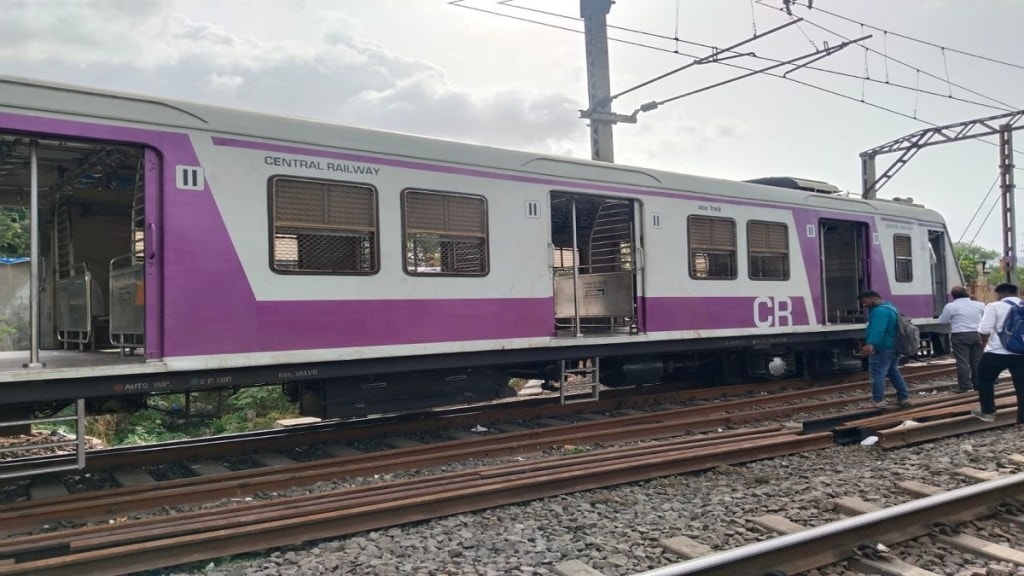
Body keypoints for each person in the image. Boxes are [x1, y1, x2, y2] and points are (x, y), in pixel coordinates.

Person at [972, 282, 1024, 423]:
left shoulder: (994, 306)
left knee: (984, 380)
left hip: (996, 352)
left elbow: (984, 329)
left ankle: (988, 412)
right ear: (1017, 293)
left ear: (999, 294)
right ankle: (1022, 419)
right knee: (1022, 386)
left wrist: (984, 342)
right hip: (1021, 354)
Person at [858, 290, 913, 409]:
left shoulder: (880, 311)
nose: (864, 305)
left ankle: (878, 400)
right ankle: (904, 397)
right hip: (893, 346)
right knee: (893, 372)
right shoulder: (891, 307)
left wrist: (870, 344)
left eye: (865, 301)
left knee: (877, 373)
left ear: (873, 298)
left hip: (883, 347)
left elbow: (878, 329)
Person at [937, 285, 985, 392]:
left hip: (960, 335)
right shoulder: (980, 305)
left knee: (962, 361)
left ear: (953, 296)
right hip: (977, 334)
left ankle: (965, 385)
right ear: (967, 293)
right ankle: (978, 384)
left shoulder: (951, 306)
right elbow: (985, 319)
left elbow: (943, 321)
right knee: (977, 361)